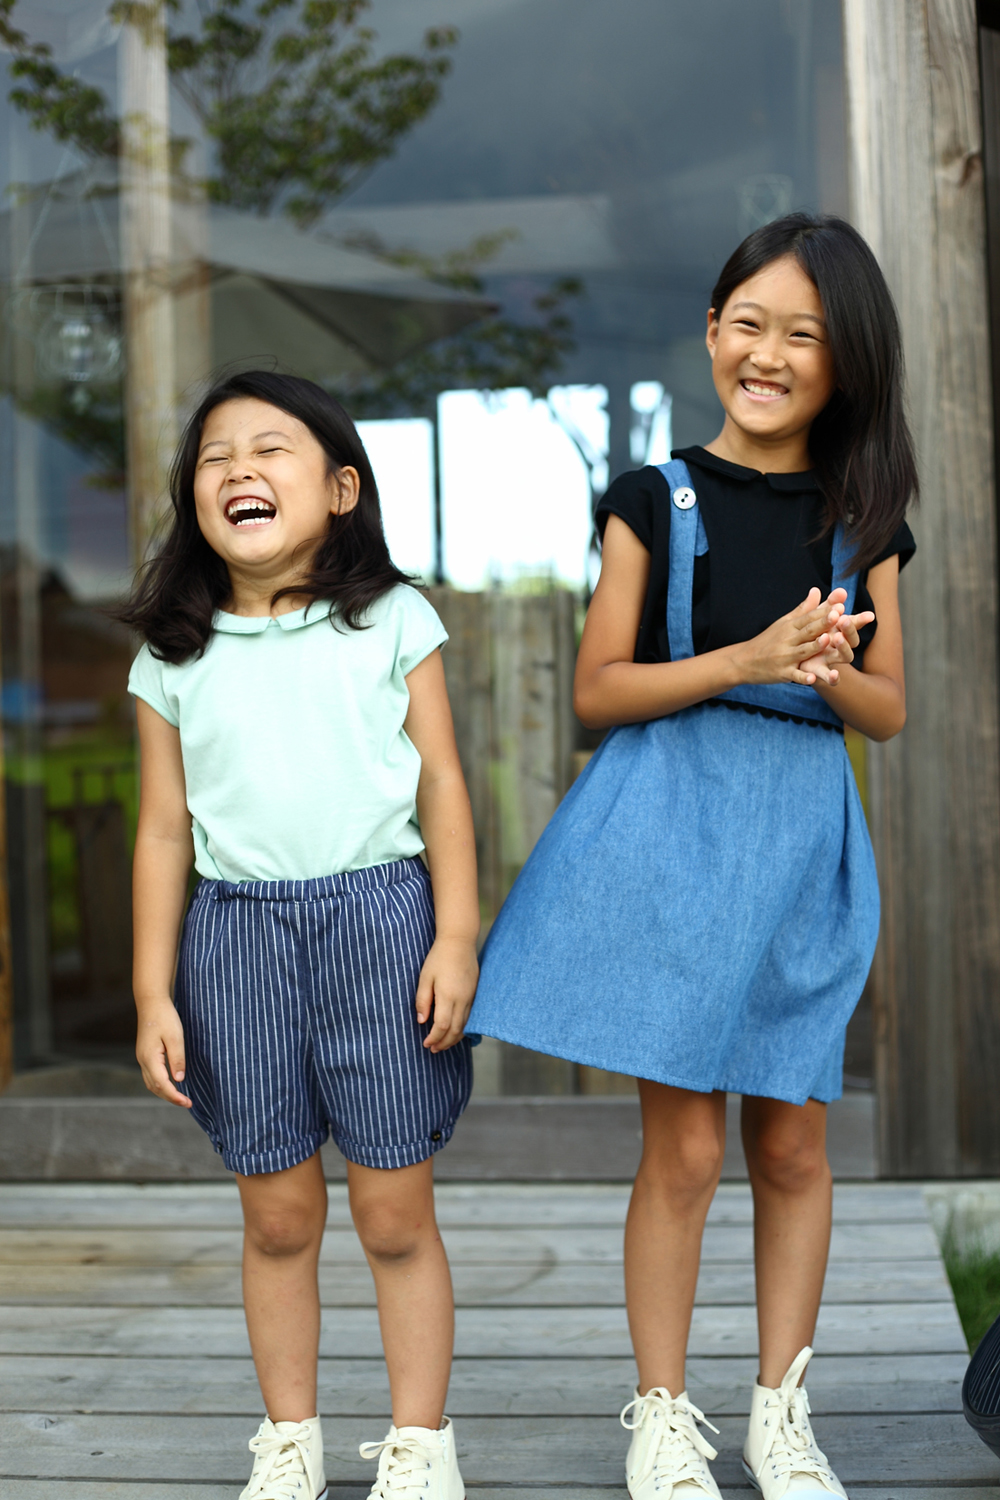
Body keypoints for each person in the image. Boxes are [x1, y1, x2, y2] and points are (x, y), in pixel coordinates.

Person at [468, 214, 916, 1499]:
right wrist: (746, 658)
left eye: (804, 336)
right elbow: (597, 691)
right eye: (749, 324)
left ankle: (781, 1413)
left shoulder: (862, 522)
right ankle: (661, 1416)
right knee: (684, 1154)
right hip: (675, 839)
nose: (768, 354)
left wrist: (823, 672)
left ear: (845, 362)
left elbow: (889, 709)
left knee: (793, 1149)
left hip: (802, 851)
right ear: (712, 330)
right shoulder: (650, 498)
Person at [123, 371, 478, 1500]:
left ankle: (419, 1445)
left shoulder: (393, 620)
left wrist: (457, 934)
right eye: (215, 456)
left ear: (340, 489)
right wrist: (151, 991)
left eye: (269, 448)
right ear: (194, 499)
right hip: (234, 940)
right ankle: (290, 1443)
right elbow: (162, 832)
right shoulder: (172, 656)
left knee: (393, 1213)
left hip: (382, 922)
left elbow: (444, 785)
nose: (239, 469)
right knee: (277, 1219)